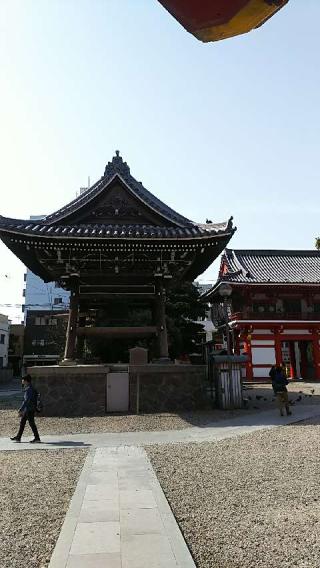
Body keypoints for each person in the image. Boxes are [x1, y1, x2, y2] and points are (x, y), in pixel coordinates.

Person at [10, 375, 41, 443]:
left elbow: (26, 400)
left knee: (31, 423)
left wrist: (21, 409)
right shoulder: (30, 388)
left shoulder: (29, 389)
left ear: (26, 381)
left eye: (23, 380)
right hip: (29, 409)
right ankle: (18, 437)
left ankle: (37, 438)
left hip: (29, 409)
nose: (22, 381)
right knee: (23, 422)